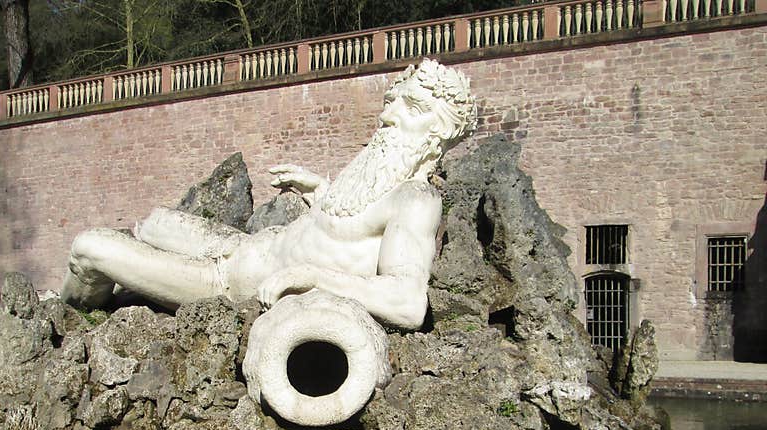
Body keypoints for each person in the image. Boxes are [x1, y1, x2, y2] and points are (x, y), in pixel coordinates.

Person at [60, 59, 476, 331]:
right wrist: (320, 190)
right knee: (155, 221)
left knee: (88, 247)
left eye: (411, 107)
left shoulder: (417, 200)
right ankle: (130, 287)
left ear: (437, 132)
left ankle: (69, 314)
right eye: (392, 101)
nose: (388, 114)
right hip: (242, 246)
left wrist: (313, 279)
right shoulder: (381, 177)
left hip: (227, 283)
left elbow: (407, 302)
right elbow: (346, 233)